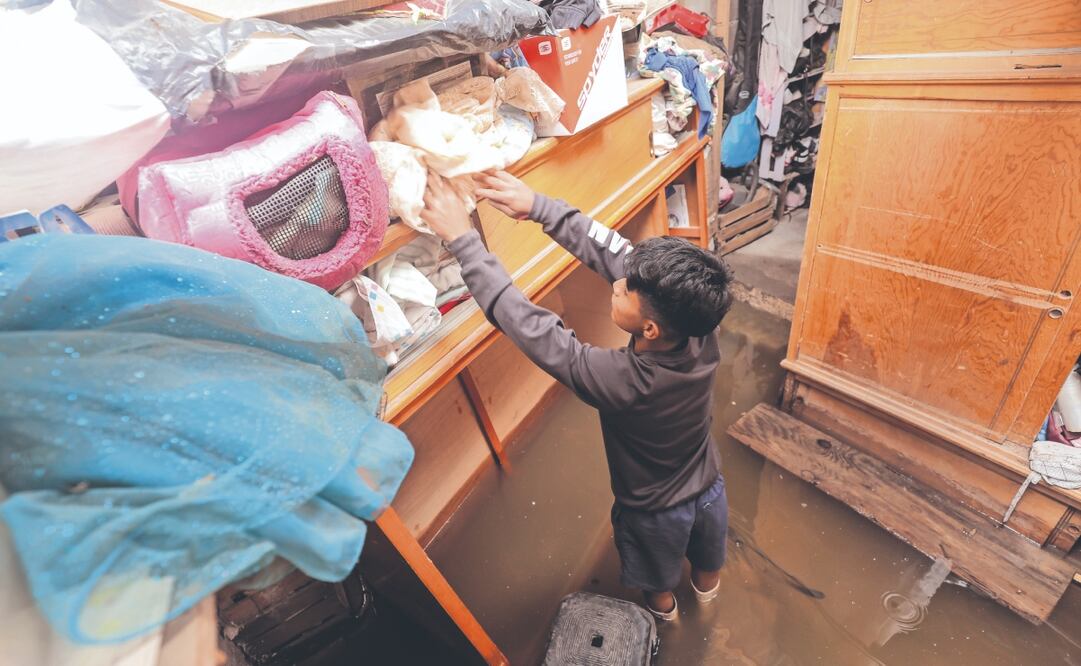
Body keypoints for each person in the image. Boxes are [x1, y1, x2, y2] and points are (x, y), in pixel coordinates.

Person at [420, 170, 733, 621]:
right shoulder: (700, 327)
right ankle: (710, 610)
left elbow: (529, 326)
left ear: (649, 329)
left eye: (625, 290)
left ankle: (671, 623)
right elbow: (612, 252)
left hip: (653, 512)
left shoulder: (621, 380)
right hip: (710, 488)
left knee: (659, 586)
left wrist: (463, 240)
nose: (616, 283)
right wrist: (538, 206)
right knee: (709, 561)